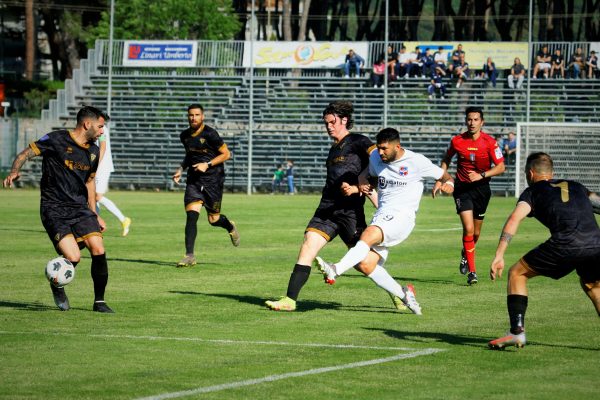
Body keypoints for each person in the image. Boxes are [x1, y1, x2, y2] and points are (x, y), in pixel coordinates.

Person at [265, 101, 404, 312]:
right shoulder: (333, 149)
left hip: (350, 213)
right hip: (327, 210)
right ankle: (290, 300)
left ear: (344, 120)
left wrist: (361, 186)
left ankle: (398, 293)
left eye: (332, 122)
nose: (328, 126)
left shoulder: (358, 141)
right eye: (326, 123)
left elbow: (380, 160)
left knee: (364, 263)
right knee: (308, 245)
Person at [315, 128, 456, 315]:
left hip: (402, 217)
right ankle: (404, 295)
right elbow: (369, 176)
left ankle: (335, 269)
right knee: (365, 264)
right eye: (379, 148)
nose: (379, 152)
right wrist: (361, 184)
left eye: (384, 149)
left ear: (397, 146)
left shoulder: (417, 162)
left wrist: (449, 185)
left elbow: (446, 176)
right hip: (382, 214)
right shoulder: (376, 159)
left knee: (368, 234)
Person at [3, 106, 115, 313]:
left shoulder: (94, 151)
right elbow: (26, 153)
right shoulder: (56, 139)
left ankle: (100, 302)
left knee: (99, 249)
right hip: (53, 209)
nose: (101, 131)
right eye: (100, 127)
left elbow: (90, 183)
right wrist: (14, 171)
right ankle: (57, 283)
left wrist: (95, 214)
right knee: (73, 258)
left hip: (81, 208)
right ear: (87, 124)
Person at [488, 152, 600, 349]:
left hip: (565, 243)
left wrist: (499, 254)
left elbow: (515, 218)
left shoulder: (531, 192)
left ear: (530, 174)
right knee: (594, 286)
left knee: (517, 273)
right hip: (596, 243)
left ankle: (517, 333)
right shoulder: (577, 186)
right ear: (552, 172)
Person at [440, 106, 506, 285]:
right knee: (468, 229)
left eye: (476, 119)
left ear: (482, 122)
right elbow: (446, 159)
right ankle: (473, 272)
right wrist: (441, 178)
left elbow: (501, 167)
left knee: (476, 233)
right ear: (465, 121)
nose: (472, 123)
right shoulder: (457, 141)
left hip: (482, 190)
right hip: (462, 189)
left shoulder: (490, 143)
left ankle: (465, 252)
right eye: (469, 119)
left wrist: (482, 175)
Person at [172, 104, 240, 268]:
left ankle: (229, 225)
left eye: (196, 115)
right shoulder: (185, 136)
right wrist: (181, 169)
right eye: (190, 115)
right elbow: (190, 155)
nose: (193, 118)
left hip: (213, 181)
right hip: (194, 181)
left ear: (202, 117)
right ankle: (189, 256)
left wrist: (207, 164)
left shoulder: (210, 134)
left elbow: (226, 154)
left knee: (213, 219)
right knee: (191, 216)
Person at [95, 125, 132, 236]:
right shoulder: (93, 126)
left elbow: (102, 146)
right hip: (97, 165)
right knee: (91, 196)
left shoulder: (101, 128)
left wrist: (95, 165)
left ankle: (123, 219)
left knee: (97, 196)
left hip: (102, 166)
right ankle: (94, 224)